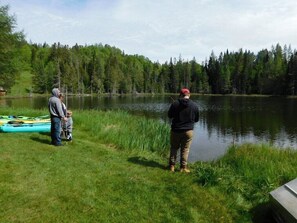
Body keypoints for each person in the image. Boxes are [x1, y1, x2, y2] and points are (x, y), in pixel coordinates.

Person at [168, 88, 199, 173]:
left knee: (174, 148)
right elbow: (196, 119)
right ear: (189, 95)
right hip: (188, 131)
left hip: (176, 130)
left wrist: (174, 108)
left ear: (180, 95)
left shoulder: (175, 104)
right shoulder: (194, 105)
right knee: (185, 149)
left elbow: (169, 116)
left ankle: (172, 167)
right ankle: (183, 168)